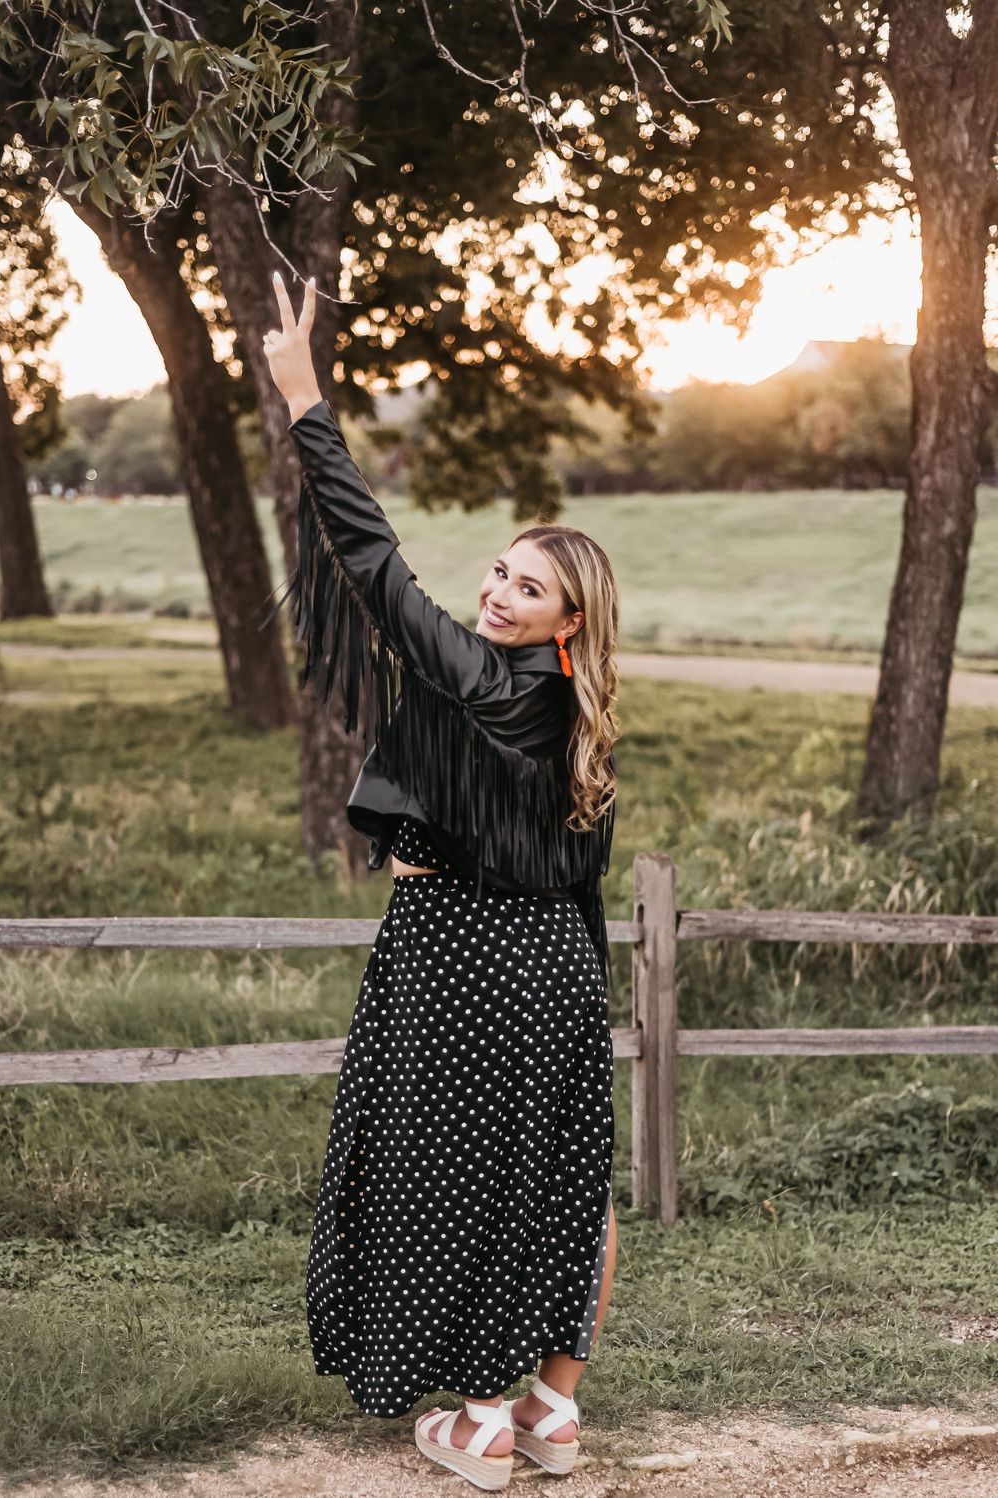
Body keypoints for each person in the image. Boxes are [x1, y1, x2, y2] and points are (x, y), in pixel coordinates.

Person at [262, 272, 621, 1493]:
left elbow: (373, 565)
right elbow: (573, 875)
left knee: (460, 1177)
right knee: (561, 1177)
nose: (496, 593)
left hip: (464, 958)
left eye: (527, 588)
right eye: (500, 572)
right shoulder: (577, 716)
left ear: (567, 618)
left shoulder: (487, 684)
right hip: (554, 967)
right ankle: (551, 1413)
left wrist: (307, 402)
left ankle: (479, 1424)